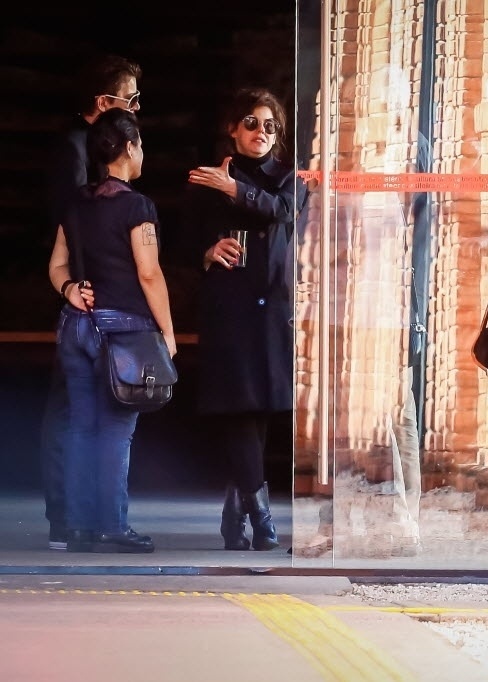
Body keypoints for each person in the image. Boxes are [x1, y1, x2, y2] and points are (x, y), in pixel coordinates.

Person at [47, 108, 174, 553]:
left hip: (76, 329)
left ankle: (79, 528)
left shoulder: (77, 203)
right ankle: (113, 526)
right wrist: (168, 334)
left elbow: (57, 263)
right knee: (117, 432)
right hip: (123, 335)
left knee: (81, 429)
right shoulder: (137, 206)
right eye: (140, 143)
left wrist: (69, 290)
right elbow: (149, 273)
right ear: (129, 147)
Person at [186, 87, 303, 551]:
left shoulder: (289, 177)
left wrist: (234, 188)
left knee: (259, 409)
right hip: (228, 307)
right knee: (238, 406)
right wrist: (207, 250)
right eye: (251, 123)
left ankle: (237, 512)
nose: (261, 133)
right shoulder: (205, 179)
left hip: (273, 304)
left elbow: (281, 210)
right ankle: (261, 516)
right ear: (233, 128)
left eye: (270, 126)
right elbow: (180, 240)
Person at [41, 54, 142, 550]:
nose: (139, 110)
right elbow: (71, 227)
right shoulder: (75, 152)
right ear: (104, 103)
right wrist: (75, 285)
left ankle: (84, 521)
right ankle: (70, 518)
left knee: (85, 416)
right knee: (78, 415)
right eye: (132, 99)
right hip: (85, 302)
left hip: (87, 299)